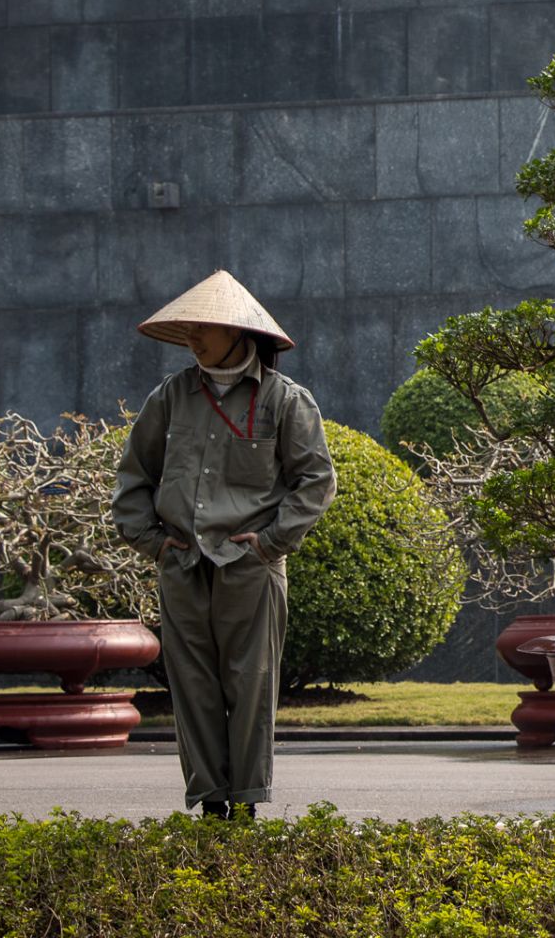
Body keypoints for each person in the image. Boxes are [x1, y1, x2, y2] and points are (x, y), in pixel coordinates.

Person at [112, 270, 337, 819]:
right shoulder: (169, 396)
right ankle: (211, 802)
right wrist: (154, 545)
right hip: (182, 565)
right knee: (192, 686)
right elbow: (133, 479)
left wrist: (268, 545)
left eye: (204, 327)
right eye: (187, 327)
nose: (193, 336)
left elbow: (317, 483)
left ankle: (248, 803)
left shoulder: (285, 400)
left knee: (251, 684)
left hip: (251, 570)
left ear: (240, 332)